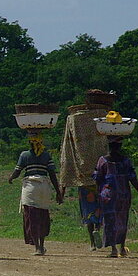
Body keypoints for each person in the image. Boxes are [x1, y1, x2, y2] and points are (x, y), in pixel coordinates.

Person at [59, 103, 110, 251]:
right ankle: (97, 230)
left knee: (88, 211)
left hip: (83, 180)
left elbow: (66, 160)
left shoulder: (73, 122)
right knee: (100, 209)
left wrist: (61, 191)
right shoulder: (100, 150)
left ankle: (92, 242)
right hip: (99, 180)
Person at [8, 133, 63, 256]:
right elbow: (52, 175)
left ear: (29, 143)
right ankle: (42, 246)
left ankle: (37, 247)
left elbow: (17, 172)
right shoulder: (46, 155)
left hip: (31, 187)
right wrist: (58, 192)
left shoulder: (24, 155)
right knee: (42, 215)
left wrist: (10, 178)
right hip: (44, 187)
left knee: (31, 216)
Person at [93, 136, 138, 258]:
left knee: (110, 221)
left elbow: (97, 178)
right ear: (120, 147)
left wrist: (98, 194)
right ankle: (122, 247)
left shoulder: (102, 160)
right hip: (123, 194)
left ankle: (114, 249)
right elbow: (133, 178)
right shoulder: (125, 161)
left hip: (108, 195)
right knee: (122, 220)